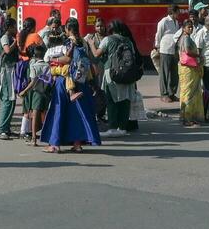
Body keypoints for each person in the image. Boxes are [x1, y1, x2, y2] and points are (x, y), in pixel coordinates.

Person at [41, 19, 101, 151]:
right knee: (77, 113)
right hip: (82, 80)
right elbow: (90, 61)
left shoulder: (69, 41)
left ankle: (54, 144)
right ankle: (77, 144)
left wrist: (54, 59)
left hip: (65, 79)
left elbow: (68, 58)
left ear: (67, 29)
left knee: (58, 111)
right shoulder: (84, 41)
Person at [97, 19, 140, 136]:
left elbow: (97, 54)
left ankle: (112, 127)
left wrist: (91, 43)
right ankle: (123, 127)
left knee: (111, 101)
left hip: (112, 74)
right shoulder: (128, 41)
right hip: (128, 74)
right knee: (125, 101)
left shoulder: (107, 39)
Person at [18, 41, 52, 145]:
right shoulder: (48, 65)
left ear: (34, 56)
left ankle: (33, 138)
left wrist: (24, 91)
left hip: (37, 92)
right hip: (46, 92)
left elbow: (32, 82)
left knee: (35, 115)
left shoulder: (34, 66)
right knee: (46, 114)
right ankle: (48, 137)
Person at [0, 18, 20, 139]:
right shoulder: (4, 38)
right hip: (5, 72)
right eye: (14, 27)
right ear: (9, 27)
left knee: (12, 101)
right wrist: (16, 42)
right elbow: (7, 50)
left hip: (11, 71)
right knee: (7, 101)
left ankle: (6, 128)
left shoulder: (12, 37)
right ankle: (1, 129)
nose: (16, 29)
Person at [154, 4, 181, 102]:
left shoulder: (176, 22)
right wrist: (157, 47)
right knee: (165, 73)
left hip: (174, 50)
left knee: (174, 73)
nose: (179, 13)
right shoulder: (164, 21)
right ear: (173, 12)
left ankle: (172, 93)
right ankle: (164, 94)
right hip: (165, 50)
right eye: (178, 11)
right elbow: (158, 34)